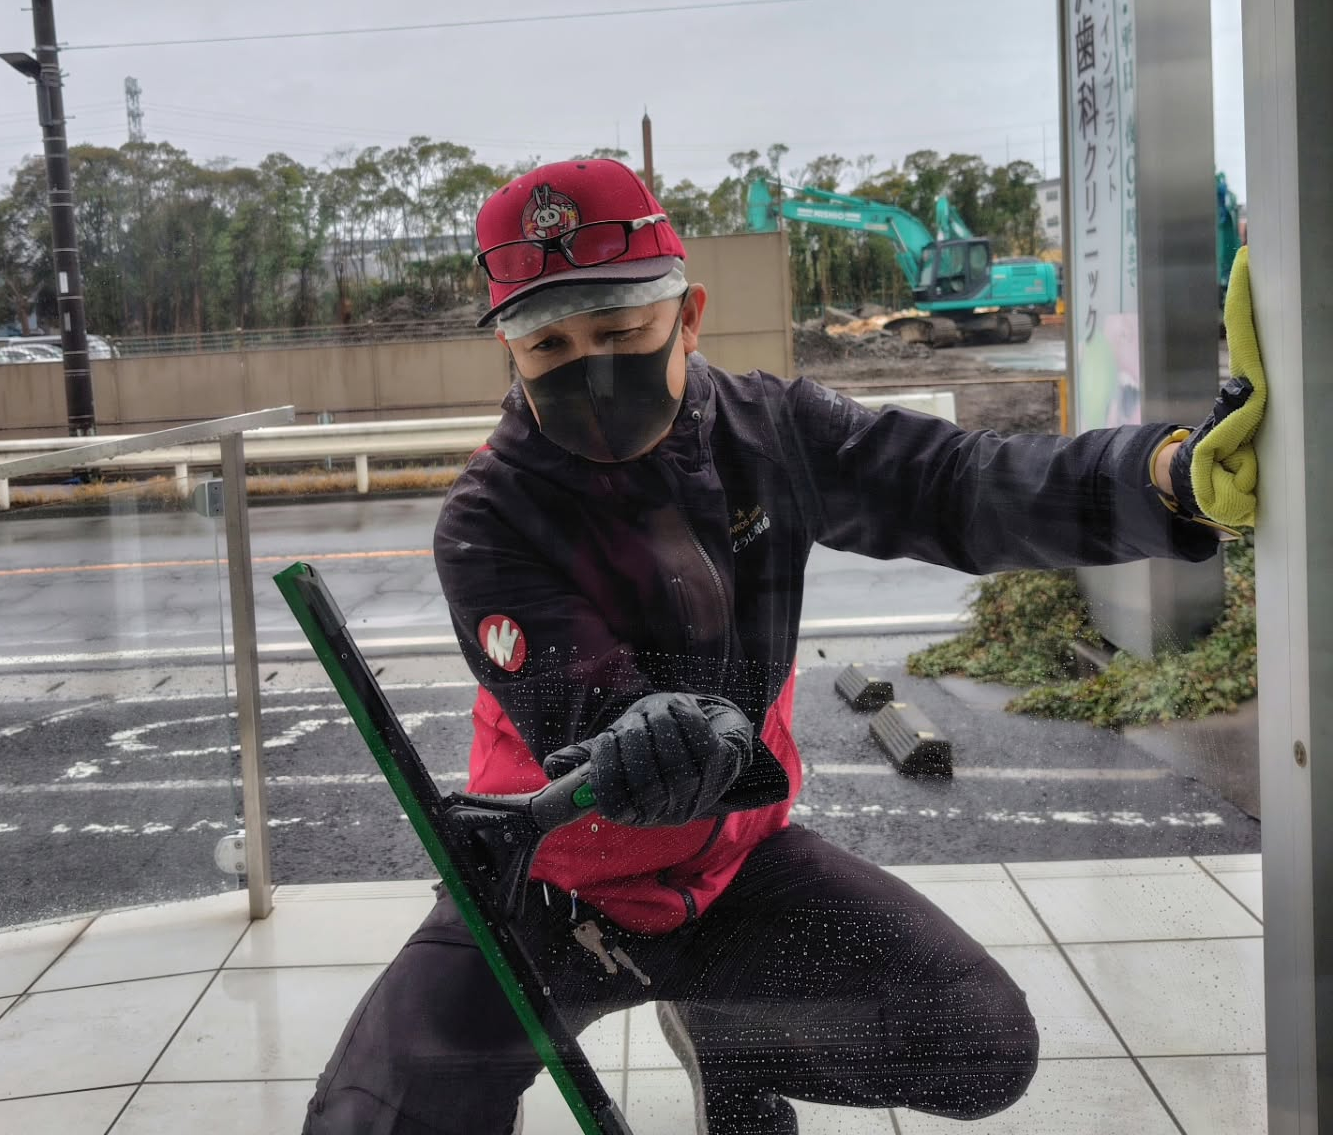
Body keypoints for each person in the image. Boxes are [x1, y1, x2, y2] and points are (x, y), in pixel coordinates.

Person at [304, 159, 1260, 1135]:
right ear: (512, 352)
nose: (590, 368)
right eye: (550, 344)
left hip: (731, 872)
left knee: (977, 1043)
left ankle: (735, 1045)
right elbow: (580, 705)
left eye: (620, 331)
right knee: (374, 1119)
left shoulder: (775, 436)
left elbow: (961, 486)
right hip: (547, 882)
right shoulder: (490, 516)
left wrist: (1169, 479)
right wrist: (643, 728)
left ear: (689, 315)